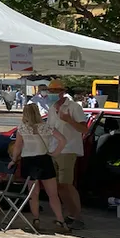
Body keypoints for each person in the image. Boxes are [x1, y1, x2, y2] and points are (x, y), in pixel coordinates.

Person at [12, 102, 70, 233]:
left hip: (29, 161)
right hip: (44, 159)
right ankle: (60, 220)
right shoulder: (46, 127)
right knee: (53, 194)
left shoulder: (22, 128)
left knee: (33, 194)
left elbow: (17, 146)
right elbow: (63, 140)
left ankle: (36, 219)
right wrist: (55, 152)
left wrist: (14, 159)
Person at [46, 79, 88, 229]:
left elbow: (84, 130)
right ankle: (71, 214)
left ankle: (77, 216)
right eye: (50, 92)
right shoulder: (52, 107)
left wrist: (69, 120)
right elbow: (50, 128)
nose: (51, 94)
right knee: (58, 186)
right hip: (54, 149)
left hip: (68, 150)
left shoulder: (74, 107)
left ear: (62, 92)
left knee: (66, 185)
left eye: (54, 92)